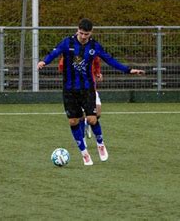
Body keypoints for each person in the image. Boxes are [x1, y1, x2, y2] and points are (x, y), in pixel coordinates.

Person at [38, 18, 145, 166]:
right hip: (69, 89)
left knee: (92, 119)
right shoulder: (67, 42)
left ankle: (100, 143)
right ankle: (85, 154)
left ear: (91, 33)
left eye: (86, 34)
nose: (83, 36)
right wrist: (44, 61)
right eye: (81, 33)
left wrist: (129, 70)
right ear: (77, 30)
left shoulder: (94, 46)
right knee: (73, 121)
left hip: (87, 88)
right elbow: (54, 52)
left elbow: (110, 60)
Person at [59, 56, 102, 139]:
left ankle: (87, 123)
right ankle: (82, 139)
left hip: (90, 89)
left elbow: (97, 62)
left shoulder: (92, 49)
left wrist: (97, 73)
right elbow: (61, 67)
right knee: (80, 116)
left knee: (98, 113)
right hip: (75, 90)